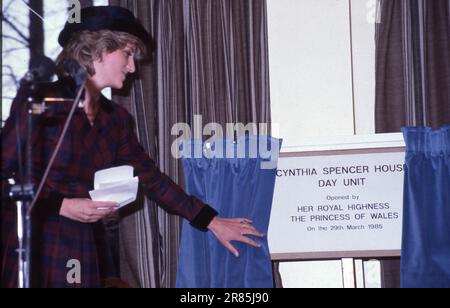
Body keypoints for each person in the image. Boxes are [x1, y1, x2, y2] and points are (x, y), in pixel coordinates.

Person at [1, 6, 263, 288]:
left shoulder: (116, 120)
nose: (132, 67)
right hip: (36, 245)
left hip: (84, 247)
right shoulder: (41, 103)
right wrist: (60, 205)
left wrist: (212, 221)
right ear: (98, 49)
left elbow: (153, 180)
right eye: (127, 54)